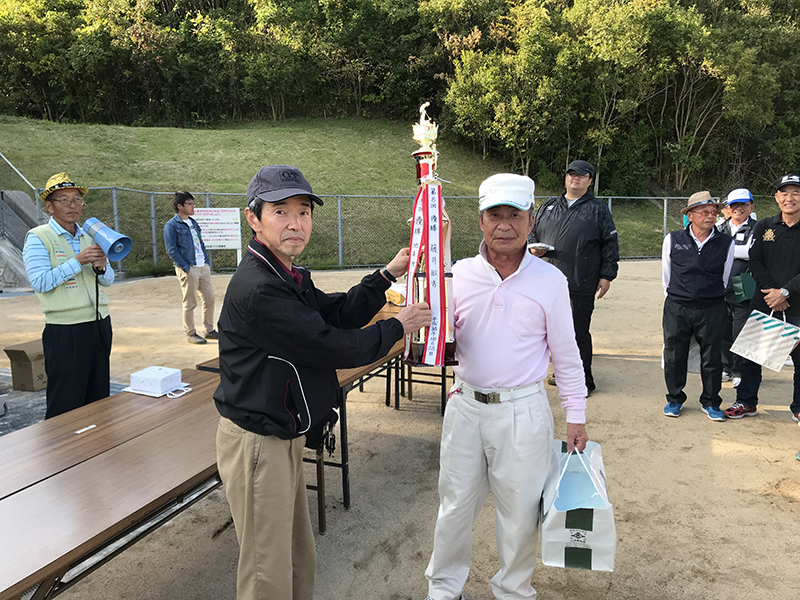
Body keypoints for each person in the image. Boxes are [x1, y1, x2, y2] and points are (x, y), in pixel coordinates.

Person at [213, 164, 431, 600]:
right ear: (253, 219)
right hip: (259, 442)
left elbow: (335, 313)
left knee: (296, 556)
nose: (295, 223)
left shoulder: (285, 274)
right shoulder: (260, 287)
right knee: (266, 570)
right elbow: (329, 344)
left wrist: (387, 274)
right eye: (280, 211)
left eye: (304, 211)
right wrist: (397, 326)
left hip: (282, 434)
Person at [423, 173, 589, 600]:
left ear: (531, 220)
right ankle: (444, 588)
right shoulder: (458, 275)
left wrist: (576, 414)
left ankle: (513, 591)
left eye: (514, 215)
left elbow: (566, 353)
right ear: (480, 221)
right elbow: (440, 333)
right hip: (466, 405)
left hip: (523, 410)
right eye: (494, 215)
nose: (504, 225)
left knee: (519, 514)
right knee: (454, 507)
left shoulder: (550, 280)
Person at [22, 172, 114, 419]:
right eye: (63, 200)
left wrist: (102, 267)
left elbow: (108, 280)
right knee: (66, 401)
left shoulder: (90, 236)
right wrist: (77, 261)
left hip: (100, 324)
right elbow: (40, 282)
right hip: (66, 330)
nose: (72, 205)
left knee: (99, 398)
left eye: (77, 199)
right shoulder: (38, 237)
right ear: (49, 206)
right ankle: (62, 445)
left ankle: (96, 441)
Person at [527, 159, 619, 393]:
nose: (575, 178)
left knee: (576, 332)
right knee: (545, 331)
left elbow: (610, 243)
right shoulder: (548, 206)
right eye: (571, 174)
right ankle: (557, 372)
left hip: (580, 281)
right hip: (546, 281)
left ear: (590, 180)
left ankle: (582, 381)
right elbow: (531, 232)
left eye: (581, 175)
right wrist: (532, 247)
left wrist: (607, 275)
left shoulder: (597, 209)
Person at [724, 174, 800, 422]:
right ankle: (747, 402)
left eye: (796, 192)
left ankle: (798, 407)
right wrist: (772, 292)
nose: (789, 198)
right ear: (777, 197)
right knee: (750, 356)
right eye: (784, 193)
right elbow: (755, 260)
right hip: (765, 302)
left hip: (797, 306)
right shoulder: (765, 226)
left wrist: (786, 291)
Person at [662, 191, 734, 421]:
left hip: (712, 307)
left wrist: (711, 296)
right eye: (704, 212)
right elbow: (666, 276)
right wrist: (677, 298)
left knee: (712, 356)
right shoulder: (673, 239)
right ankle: (675, 399)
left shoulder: (726, 242)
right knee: (674, 354)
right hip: (677, 306)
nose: (710, 216)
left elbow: (725, 276)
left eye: (713, 212)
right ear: (690, 216)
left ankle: (711, 402)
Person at [716, 188, 757, 388]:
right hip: (720, 283)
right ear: (727, 208)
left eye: (743, 204)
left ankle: (739, 369)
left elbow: (752, 252)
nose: (738, 208)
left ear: (751, 206)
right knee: (722, 326)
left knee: (741, 328)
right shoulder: (719, 227)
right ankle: (725, 366)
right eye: (734, 205)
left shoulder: (758, 228)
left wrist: (728, 250)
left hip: (744, 281)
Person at [163, 191, 216, 344]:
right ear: (180, 206)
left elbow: (200, 243)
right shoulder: (171, 226)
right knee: (190, 302)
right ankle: (191, 333)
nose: (193, 207)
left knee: (210, 299)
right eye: (190, 204)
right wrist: (185, 267)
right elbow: (172, 250)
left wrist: (206, 262)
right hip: (189, 268)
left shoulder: (193, 223)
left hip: (202, 266)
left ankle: (209, 330)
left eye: (193, 203)